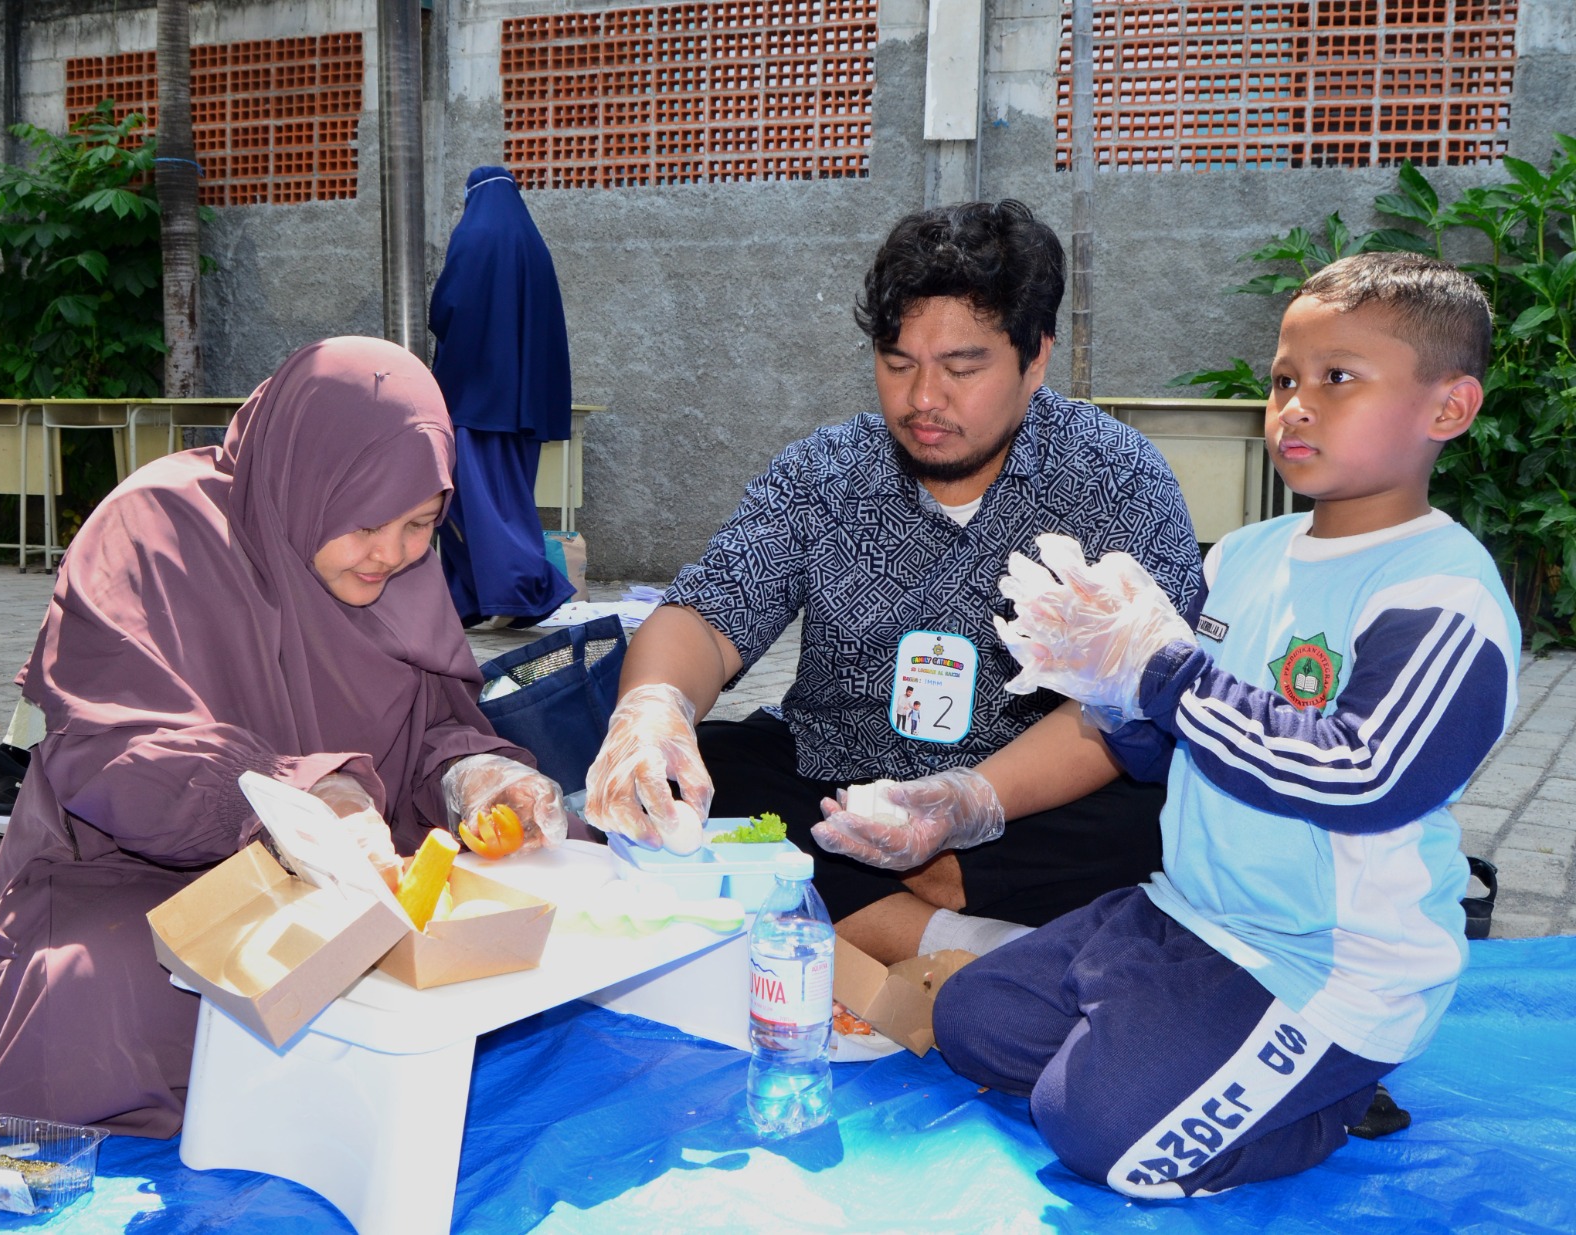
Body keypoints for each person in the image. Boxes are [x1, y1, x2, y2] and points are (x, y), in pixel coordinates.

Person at [928, 252, 1520, 1196]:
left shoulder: (1440, 594)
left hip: (1322, 964)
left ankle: (1334, 1091)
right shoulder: (1246, 553)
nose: (1294, 404)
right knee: (970, 1019)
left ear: (1448, 408)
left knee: (1094, 1130)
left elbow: (1358, 775)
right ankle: (1182, 1044)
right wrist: (1111, 691)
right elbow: (1179, 745)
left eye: (1338, 379)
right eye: (1285, 379)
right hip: (1188, 911)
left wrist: (1160, 668)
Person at [0, 336, 568, 1137]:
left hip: (345, 898)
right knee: (95, 1000)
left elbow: (432, 730)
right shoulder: (153, 531)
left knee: (490, 990)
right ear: (308, 479)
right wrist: (294, 795)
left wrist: (478, 776)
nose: (391, 554)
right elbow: (110, 750)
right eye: (364, 523)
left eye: (421, 522)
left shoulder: (395, 572)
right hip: (134, 881)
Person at [584, 200, 1202, 963]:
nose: (922, 400)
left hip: (1023, 805)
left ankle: (875, 912)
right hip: (838, 781)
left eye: (961, 367)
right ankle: (955, 944)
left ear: (1035, 358)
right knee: (707, 773)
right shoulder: (825, 472)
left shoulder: (1117, 478)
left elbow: (1129, 704)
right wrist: (652, 709)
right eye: (898, 362)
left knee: (1172, 803)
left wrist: (966, 805)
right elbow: (712, 615)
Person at [430, 166, 576, 627]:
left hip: (476, 398)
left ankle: (525, 590)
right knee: (508, 498)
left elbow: (447, 308)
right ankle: (472, 598)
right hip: (524, 404)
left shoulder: (472, 239)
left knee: (475, 503)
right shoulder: (533, 244)